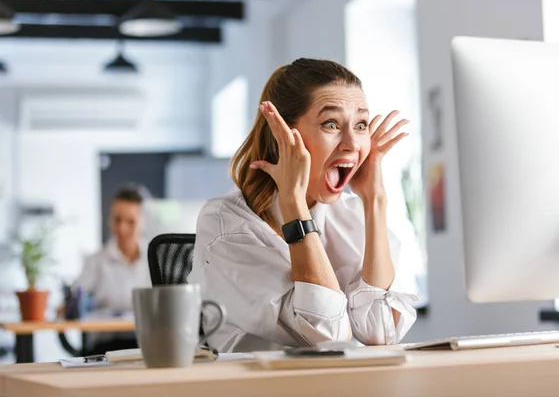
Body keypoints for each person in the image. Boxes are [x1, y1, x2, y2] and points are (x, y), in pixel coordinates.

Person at [189, 58, 421, 353]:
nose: (352, 143)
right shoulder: (226, 223)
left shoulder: (348, 214)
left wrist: (374, 199)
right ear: (282, 135)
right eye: (331, 124)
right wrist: (293, 204)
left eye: (361, 124)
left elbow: (381, 330)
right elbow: (327, 334)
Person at [73, 185, 152, 354]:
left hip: (147, 345)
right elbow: (75, 297)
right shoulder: (96, 261)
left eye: (130, 222)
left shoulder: (156, 260)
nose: (122, 228)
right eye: (117, 220)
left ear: (142, 222)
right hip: (105, 347)